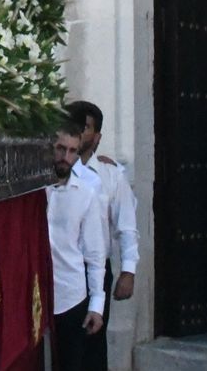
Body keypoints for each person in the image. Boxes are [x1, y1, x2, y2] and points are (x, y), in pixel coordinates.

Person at [63, 100, 139, 371]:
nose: (78, 132)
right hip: (61, 269)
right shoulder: (53, 173)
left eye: (84, 127)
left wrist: (128, 271)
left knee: (92, 343)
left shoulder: (110, 174)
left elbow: (126, 225)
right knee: (64, 345)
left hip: (94, 268)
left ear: (97, 136)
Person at [47, 121, 106, 371]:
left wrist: (96, 305)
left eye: (72, 151)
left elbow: (94, 253)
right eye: (61, 148)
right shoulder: (31, 192)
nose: (66, 156)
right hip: (34, 293)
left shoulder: (85, 193)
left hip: (70, 295)